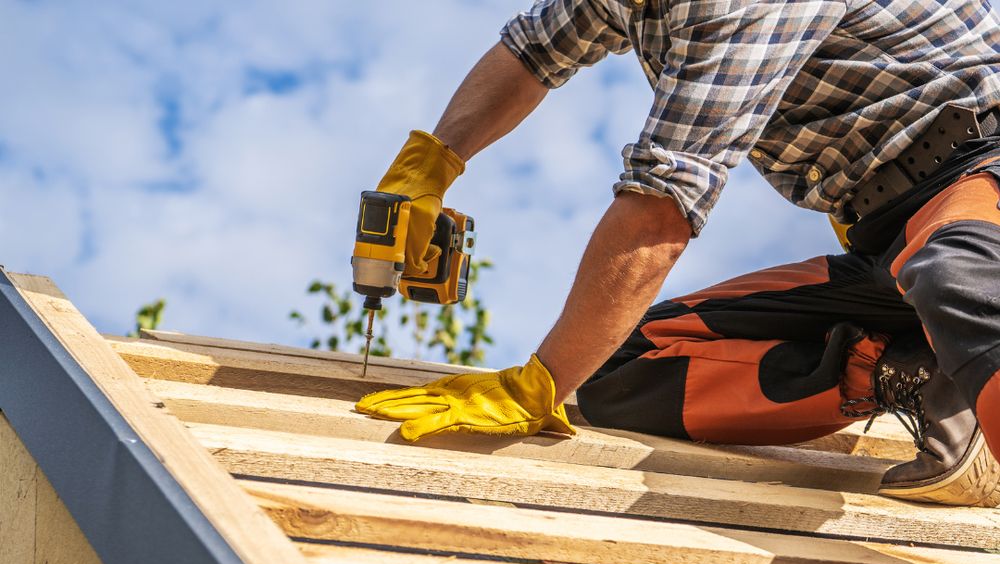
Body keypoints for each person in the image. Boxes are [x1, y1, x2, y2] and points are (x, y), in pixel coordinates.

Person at [356, 0, 1000, 510]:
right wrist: (432, 162)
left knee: (956, 276)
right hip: (888, 236)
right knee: (622, 369)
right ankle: (918, 373)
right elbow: (533, 50)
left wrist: (536, 388)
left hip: (980, 172)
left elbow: (663, 203)